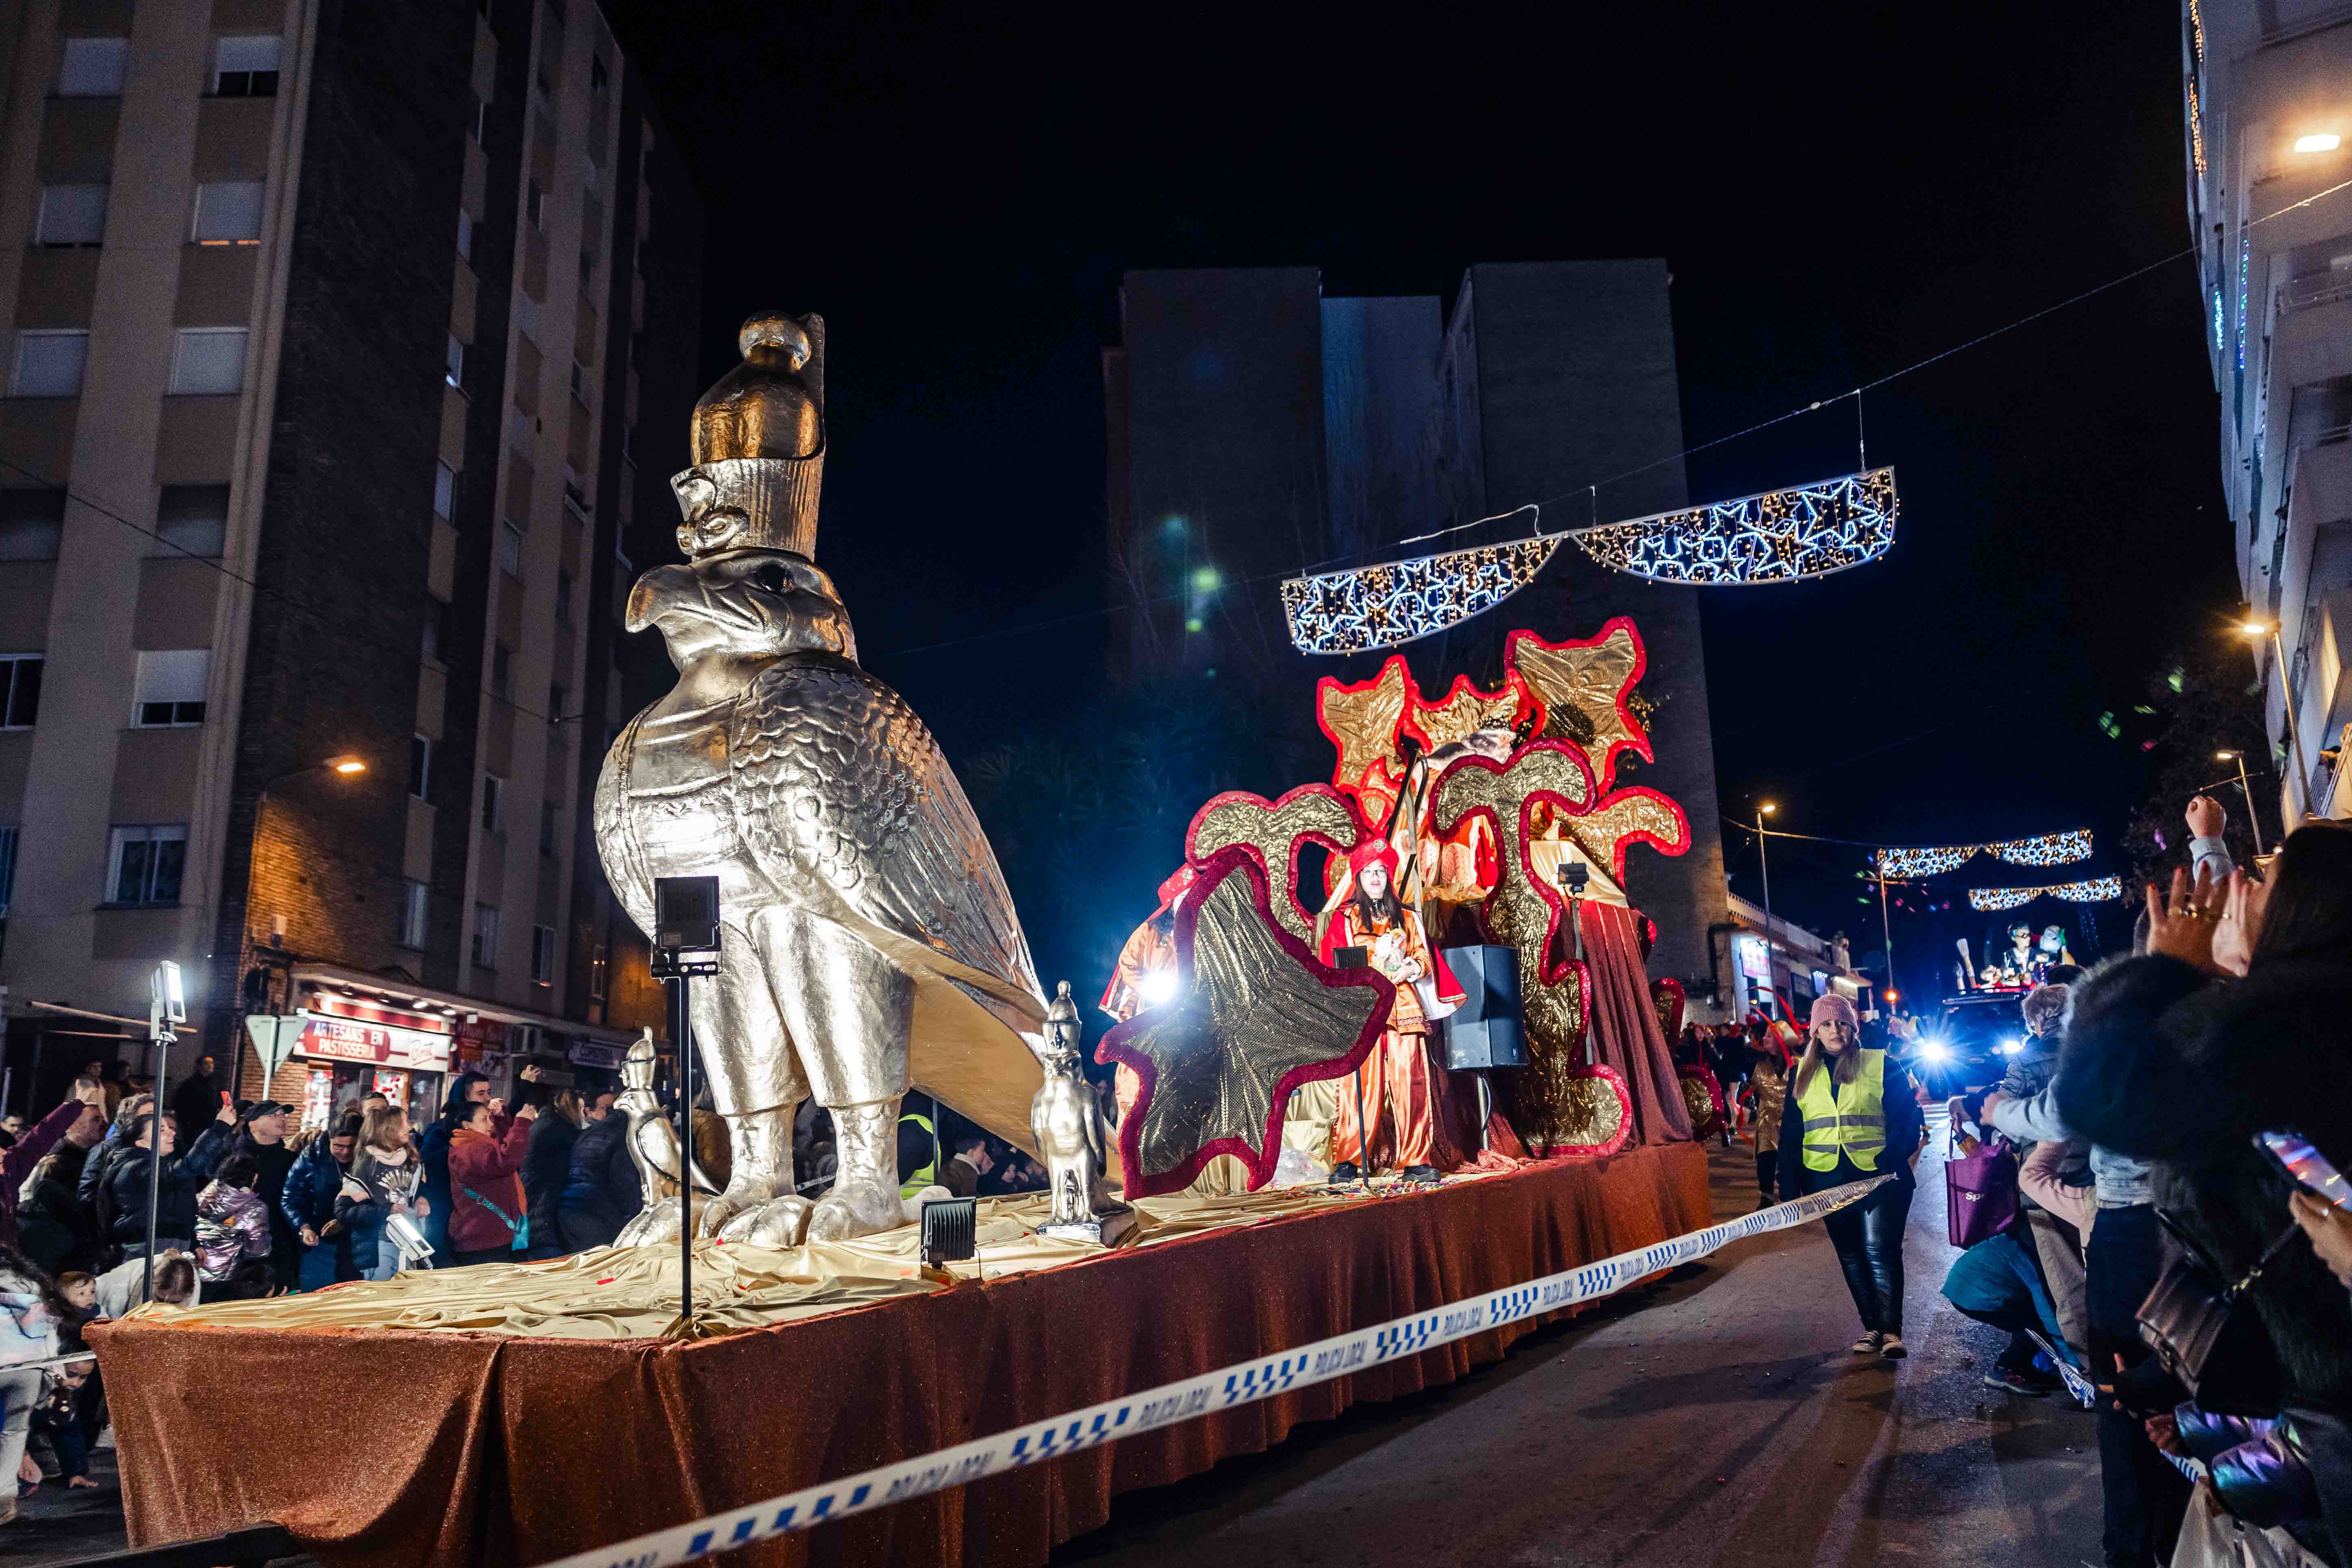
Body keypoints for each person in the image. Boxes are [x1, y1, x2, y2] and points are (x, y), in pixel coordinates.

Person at [2058, 823, 2352, 1567]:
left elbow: (2100, 1094)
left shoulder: (2289, 1018)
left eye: (2269, 876)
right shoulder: (2301, 1015)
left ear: (2311, 910)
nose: (2244, 885)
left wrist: (2159, 970)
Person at [1775, 992, 1925, 1358]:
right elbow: (1793, 1131)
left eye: (1841, 1023)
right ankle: (1871, 1328)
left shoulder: (1882, 1064)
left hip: (1878, 1178)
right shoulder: (1801, 1073)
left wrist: (1891, 1159)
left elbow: (1907, 1121)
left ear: (1853, 1027)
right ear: (1815, 1032)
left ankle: (1892, 1332)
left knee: (1880, 1250)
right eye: (1826, 1024)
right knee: (1852, 1255)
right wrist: (1789, 1180)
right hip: (1825, 1178)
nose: (1835, 1030)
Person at [1322, 841, 1466, 1183]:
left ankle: (1415, 1159)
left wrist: (1411, 967)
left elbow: (1425, 958)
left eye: (1381, 872)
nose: (1376, 877)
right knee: (1361, 1084)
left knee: (1411, 1081)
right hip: (1365, 1008)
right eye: (1369, 872)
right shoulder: (1345, 919)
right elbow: (1333, 964)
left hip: (1403, 1005)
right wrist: (1371, 965)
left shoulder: (1409, 918)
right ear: (1358, 877)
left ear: (1389, 876)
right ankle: (1350, 1160)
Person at [104, 1102, 235, 1258]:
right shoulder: (135, 1168)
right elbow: (189, 1167)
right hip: (146, 1252)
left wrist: (191, 1242)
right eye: (162, 1130)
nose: (172, 1133)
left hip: (166, 1248)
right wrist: (220, 1128)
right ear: (140, 1142)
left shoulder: (161, 1164)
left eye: (170, 1128)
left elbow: (172, 1209)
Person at [0, 1243, 68, 1524]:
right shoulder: (32, 1285)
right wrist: (53, 1373)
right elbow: (47, 1332)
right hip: (28, 1367)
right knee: (14, 1433)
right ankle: (4, 1497)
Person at [14, 1098, 107, 1280]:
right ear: (73, 1124)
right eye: (95, 1120)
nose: (104, 1124)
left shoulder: (96, 1158)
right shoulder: (54, 1164)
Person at [336, 1105, 427, 1282]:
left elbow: (419, 1192)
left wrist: (423, 1200)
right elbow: (344, 1212)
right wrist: (386, 1210)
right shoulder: (365, 1166)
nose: (410, 1127)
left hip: (408, 1242)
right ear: (388, 1129)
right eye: (404, 1123)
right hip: (377, 1247)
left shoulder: (412, 1162)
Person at [447, 1098, 537, 1266]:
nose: (490, 1124)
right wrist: (522, 1124)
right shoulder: (468, 1149)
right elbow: (504, 1159)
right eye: (484, 1119)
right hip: (484, 1241)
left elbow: (501, 1143)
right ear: (467, 1125)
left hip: (489, 1236)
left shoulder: (477, 1144)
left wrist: (502, 1117)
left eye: (490, 1118)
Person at [282, 1114, 360, 1290]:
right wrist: (304, 1227)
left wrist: (347, 1221)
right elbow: (290, 1198)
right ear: (329, 1139)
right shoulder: (311, 1156)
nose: (346, 1152)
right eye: (338, 1146)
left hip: (357, 1245)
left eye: (351, 1147)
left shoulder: (370, 1158)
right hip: (318, 1244)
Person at [556, 1093, 641, 1252]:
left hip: (568, 1207)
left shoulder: (589, 1132)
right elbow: (624, 1183)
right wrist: (633, 1217)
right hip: (595, 1212)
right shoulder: (622, 1137)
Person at [229, 1102, 300, 1288]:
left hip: (282, 1243)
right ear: (252, 1124)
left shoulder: (292, 1159)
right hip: (242, 1246)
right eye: (273, 1115)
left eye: (283, 1115)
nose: (282, 1119)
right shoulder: (234, 1157)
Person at [193, 1152, 274, 1297]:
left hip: (189, 1271)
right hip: (223, 1278)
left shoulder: (201, 1196)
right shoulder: (254, 1209)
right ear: (255, 1178)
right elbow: (259, 1250)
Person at [521, 1092, 585, 1260]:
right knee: (547, 1254)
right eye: (580, 1108)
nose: (583, 1113)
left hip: (537, 1194)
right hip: (545, 1197)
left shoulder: (545, 1123)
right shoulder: (560, 1130)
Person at [1747, 1021, 1790, 1208]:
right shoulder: (1756, 1061)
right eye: (1765, 1035)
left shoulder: (1797, 1062)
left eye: (1770, 1036)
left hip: (1791, 1119)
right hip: (1767, 1119)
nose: (1765, 1039)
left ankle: (1789, 1191)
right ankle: (1766, 1196)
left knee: (1789, 1158)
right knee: (1766, 1159)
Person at [168, 1055, 223, 1147]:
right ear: (199, 1066)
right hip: (193, 1128)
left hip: (210, 1126)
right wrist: (187, 1125)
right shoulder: (189, 1085)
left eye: (212, 1063)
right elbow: (178, 1105)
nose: (210, 1066)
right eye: (206, 1063)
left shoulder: (216, 1085)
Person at [939, 1134, 990, 1199]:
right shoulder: (968, 1170)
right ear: (971, 1152)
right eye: (982, 1151)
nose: (985, 1155)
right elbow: (970, 1199)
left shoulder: (954, 1163)